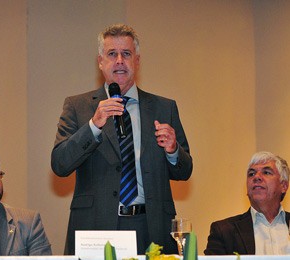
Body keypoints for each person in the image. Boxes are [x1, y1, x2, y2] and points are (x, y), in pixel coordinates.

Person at [51, 24, 193, 255]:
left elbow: (184, 171)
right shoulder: (79, 106)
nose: (119, 60)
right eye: (111, 54)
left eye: (126, 54)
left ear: (137, 61)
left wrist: (173, 149)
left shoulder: (164, 108)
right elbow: (60, 164)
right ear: (100, 62)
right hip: (97, 226)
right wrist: (93, 126)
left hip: (151, 226)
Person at [204, 151, 290, 255]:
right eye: (251, 174)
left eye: (266, 172)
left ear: (284, 186)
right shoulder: (223, 231)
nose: (256, 177)